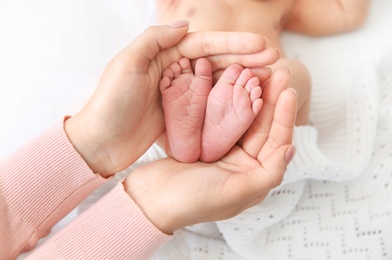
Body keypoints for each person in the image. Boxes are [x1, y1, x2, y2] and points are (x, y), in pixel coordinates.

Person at [0, 21, 297, 259]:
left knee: (289, 74)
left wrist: (91, 141)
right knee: (289, 77)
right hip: (206, 86)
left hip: (193, 82)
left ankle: (199, 136)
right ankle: (205, 135)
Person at [156, 0, 371, 129]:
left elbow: (346, 13)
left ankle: (251, 133)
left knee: (295, 74)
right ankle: (190, 131)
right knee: (173, 72)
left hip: (258, 95)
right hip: (192, 85)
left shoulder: (281, 3)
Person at [159, 57, 265, 163]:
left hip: (151, 154)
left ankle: (176, 144)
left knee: (156, 141)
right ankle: (197, 143)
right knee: (158, 140)